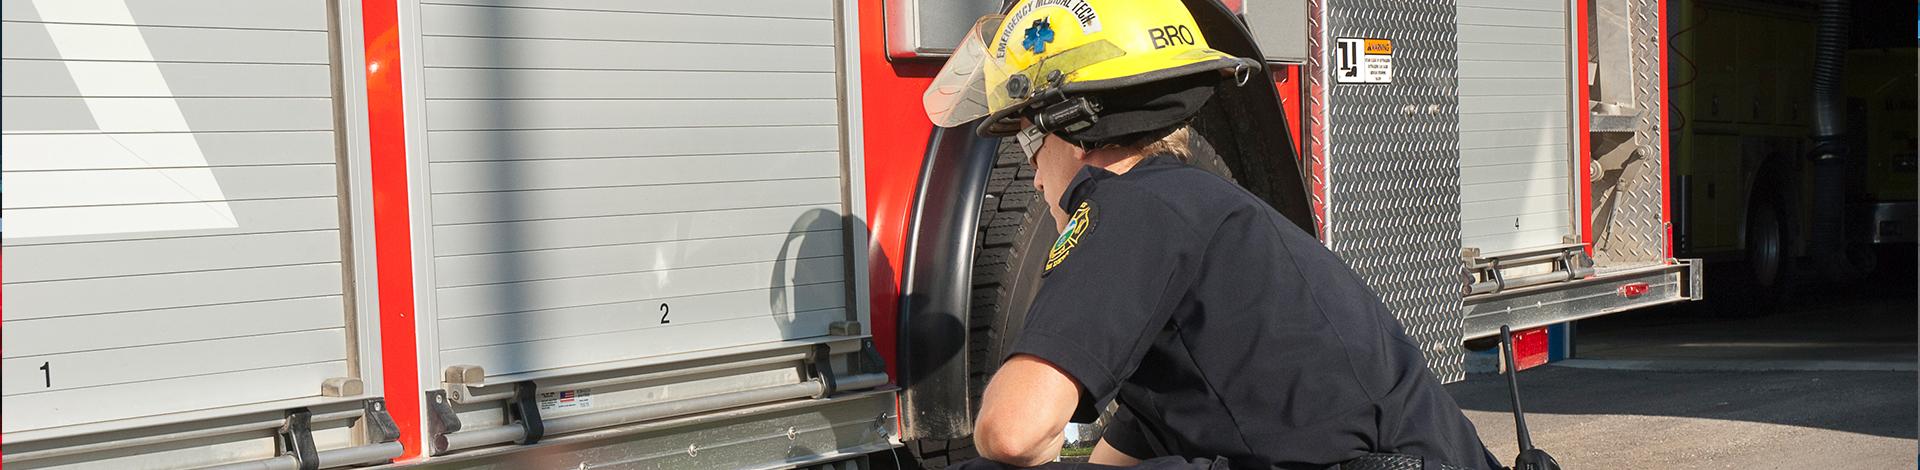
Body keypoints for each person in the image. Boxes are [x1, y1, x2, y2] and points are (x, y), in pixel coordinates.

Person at [922, 1, 1504, 469]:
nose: (1029, 167)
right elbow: (1131, 442)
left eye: (1027, 139)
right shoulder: (1188, 206)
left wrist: (1033, 434)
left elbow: (1010, 434)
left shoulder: (1128, 209)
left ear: (1073, 129)